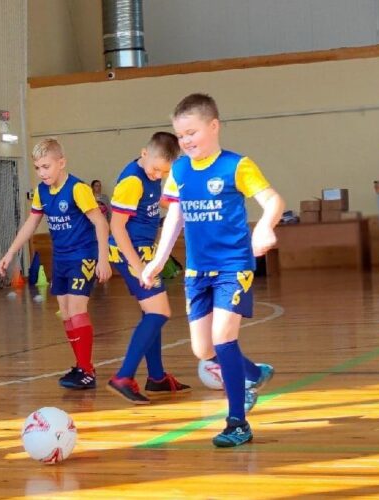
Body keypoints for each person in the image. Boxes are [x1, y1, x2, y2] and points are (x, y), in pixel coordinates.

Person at [142, 93, 283, 448]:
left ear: (214, 126)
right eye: (181, 136)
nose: (186, 141)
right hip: (197, 270)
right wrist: (158, 260)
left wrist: (265, 226)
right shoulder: (179, 170)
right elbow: (175, 217)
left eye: (192, 133)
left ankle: (237, 423)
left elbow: (273, 200)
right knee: (203, 350)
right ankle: (254, 373)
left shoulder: (237, 165)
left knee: (223, 338)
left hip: (233, 266)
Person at [0, 138, 112, 390]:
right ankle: (81, 365)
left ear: (61, 163)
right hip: (60, 258)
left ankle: (87, 370)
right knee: (66, 312)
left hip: (82, 255)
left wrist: (103, 258)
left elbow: (101, 223)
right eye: (38, 168)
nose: (42, 172)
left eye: (46, 166)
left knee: (77, 309)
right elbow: (31, 224)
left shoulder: (77, 189)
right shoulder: (41, 191)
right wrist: (11, 252)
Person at [105, 132, 193, 405]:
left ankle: (156, 377)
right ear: (144, 153)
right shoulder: (133, 180)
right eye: (156, 169)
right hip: (130, 253)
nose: (158, 175)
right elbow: (116, 227)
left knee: (151, 313)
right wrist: (139, 266)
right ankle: (123, 377)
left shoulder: (150, 176)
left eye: (164, 173)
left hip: (143, 251)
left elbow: (156, 202)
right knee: (159, 312)